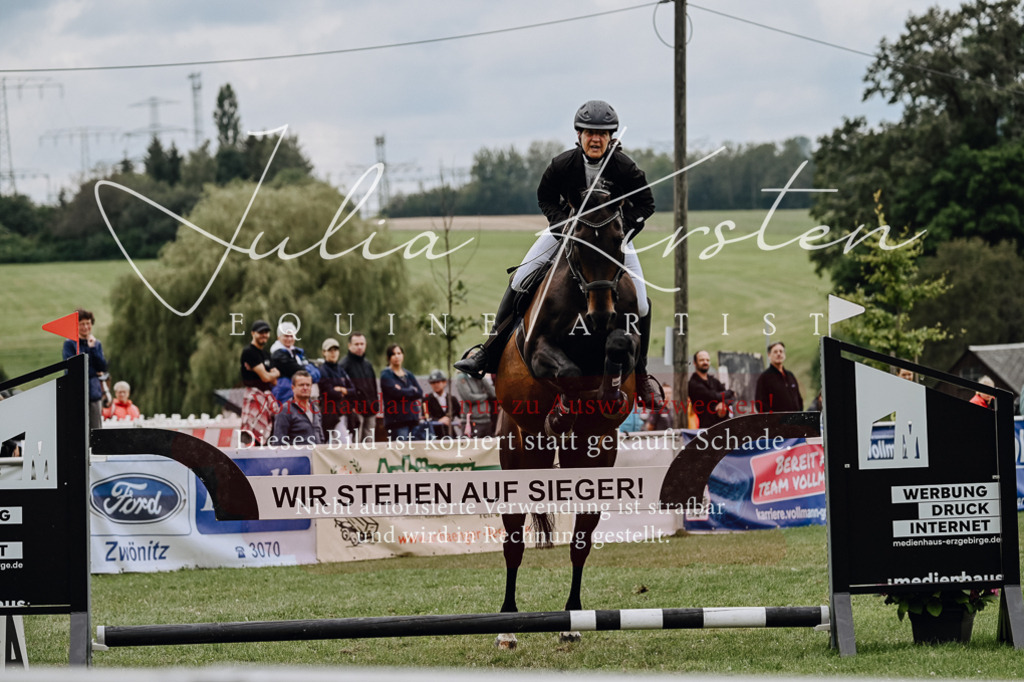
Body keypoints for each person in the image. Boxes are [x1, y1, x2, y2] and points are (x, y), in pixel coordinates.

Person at [454, 100, 662, 410]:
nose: (595, 139)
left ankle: (642, 374)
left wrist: (619, 234)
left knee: (642, 302)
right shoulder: (563, 165)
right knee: (521, 278)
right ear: (579, 134)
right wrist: (562, 226)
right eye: (590, 132)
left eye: (602, 134)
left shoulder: (624, 168)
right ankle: (489, 351)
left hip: (611, 242)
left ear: (610, 137)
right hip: (567, 235)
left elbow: (646, 204)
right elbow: (545, 197)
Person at [62, 309, 109, 434]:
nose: (86, 327)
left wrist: (92, 349)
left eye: (88, 323)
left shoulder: (96, 344)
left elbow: (102, 367)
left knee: (95, 428)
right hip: (76, 391)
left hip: (93, 392)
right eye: (82, 324)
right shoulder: (70, 344)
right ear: (76, 325)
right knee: (77, 428)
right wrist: (94, 372)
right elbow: (72, 368)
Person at [240, 319, 280, 445]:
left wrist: (272, 374)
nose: (264, 335)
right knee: (252, 436)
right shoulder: (249, 352)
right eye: (261, 332)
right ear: (253, 333)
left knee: (269, 434)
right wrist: (272, 374)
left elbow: (274, 381)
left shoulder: (266, 355)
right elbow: (265, 378)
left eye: (266, 332)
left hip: (267, 397)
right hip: (254, 396)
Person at [380, 344, 424, 442]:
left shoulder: (408, 374)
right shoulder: (386, 374)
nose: (397, 356)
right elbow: (395, 393)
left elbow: (420, 392)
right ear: (388, 357)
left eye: (399, 353)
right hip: (397, 422)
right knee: (400, 452)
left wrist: (402, 390)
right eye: (393, 354)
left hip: (412, 419)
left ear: (403, 355)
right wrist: (412, 390)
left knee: (414, 451)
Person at [341, 332, 379, 444]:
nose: (359, 347)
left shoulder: (368, 364)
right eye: (356, 344)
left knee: (369, 442)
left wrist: (376, 405)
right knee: (356, 443)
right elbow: (343, 390)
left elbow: (373, 386)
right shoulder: (344, 365)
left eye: (362, 344)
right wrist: (351, 408)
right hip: (355, 412)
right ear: (349, 345)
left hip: (371, 410)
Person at [270, 370, 323, 446]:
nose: (305, 388)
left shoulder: (316, 410)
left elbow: (321, 438)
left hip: (316, 456)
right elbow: (278, 443)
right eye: (301, 385)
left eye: (308, 385)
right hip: (297, 457)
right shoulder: (284, 411)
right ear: (293, 387)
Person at [271, 322, 320, 404]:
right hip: (284, 396)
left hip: (297, 396)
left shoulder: (297, 352)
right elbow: (302, 373)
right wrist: (307, 367)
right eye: (286, 336)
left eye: (292, 336)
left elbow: (315, 374)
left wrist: (306, 369)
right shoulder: (278, 355)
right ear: (278, 337)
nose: (289, 339)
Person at [318, 337, 355, 445]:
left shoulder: (341, 370)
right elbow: (330, 392)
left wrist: (342, 389)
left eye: (335, 350)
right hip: (331, 415)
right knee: (346, 444)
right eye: (330, 350)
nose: (333, 353)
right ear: (324, 352)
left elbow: (353, 390)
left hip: (345, 412)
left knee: (341, 445)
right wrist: (344, 392)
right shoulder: (322, 370)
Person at [687, 350, 734, 429]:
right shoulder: (693, 383)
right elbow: (712, 396)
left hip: (723, 425)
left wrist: (724, 403)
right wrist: (729, 392)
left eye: (707, 360)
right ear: (695, 363)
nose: (705, 362)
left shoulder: (714, 381)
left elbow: (731, 398)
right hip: (705, 428)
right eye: (702, 360)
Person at [755, 341, 803, 413]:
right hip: (776, 422)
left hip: (795, 421)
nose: (779, 354)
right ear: (769, 355)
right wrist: (773, 419)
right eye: (775, 352)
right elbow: (760, 404)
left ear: (784, 354)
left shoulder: (790, 376)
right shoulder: (764, 378)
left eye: (781, 351)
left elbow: (799, 399)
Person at [453, 370, 496, 437]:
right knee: (472, 446)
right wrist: (486, 396)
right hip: (472, 421)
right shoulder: (462, 377)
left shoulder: (480, 377)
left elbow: (493, 393)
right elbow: (469, 398)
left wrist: (482, 378)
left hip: (486, 420)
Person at [424, 369, 461, 438]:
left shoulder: (452, 399)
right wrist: (438, 420)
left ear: (444, 382)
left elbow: (460, 414)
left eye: (438, 382)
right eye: (433, 383)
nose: (435, 385)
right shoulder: (426, 399)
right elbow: (426, 416)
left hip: (451, 435)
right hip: (434, 435)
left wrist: (461, 421)